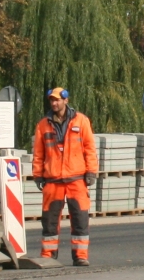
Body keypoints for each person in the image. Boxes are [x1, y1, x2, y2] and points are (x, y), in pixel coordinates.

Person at [32, 87, 98, 266]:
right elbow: (38, 153)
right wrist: (38, 175)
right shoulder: (43, 124)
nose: (54, 103)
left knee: (80, 219)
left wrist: (92, 171)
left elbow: (89, 149)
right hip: (52, 180)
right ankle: (48, 255)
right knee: (49, 221)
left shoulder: (81, 121)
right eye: (51, 100)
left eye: (57, 100)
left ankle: (80, 256)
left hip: (76, 179)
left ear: (66, 101)